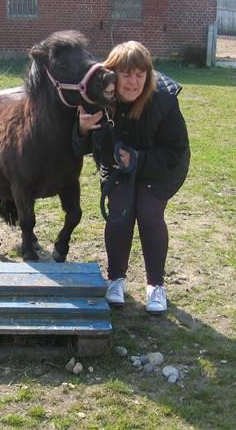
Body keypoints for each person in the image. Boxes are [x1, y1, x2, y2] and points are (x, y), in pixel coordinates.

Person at [72, 41, 190, 314]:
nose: (134, 82)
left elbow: (176, 150)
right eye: (126, 74)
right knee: (120, 212)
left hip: (161, 168)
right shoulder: (98, 97)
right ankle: (116, 280)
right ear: (113, 74)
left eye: (140, 74)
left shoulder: (163, 99)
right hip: (116, 168)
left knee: (148, 213)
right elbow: (80, 149)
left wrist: (138, 159)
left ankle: (156, 285)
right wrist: (82, 131)